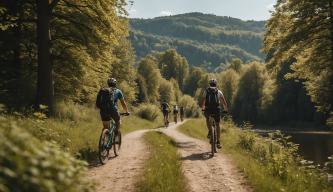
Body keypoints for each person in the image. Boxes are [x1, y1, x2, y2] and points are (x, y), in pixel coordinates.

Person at [201, 79, 228, 149]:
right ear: (216, 85)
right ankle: (218, 141)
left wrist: (203, 108)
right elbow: (224, 103)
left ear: (209, 85)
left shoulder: (206, 91)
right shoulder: (219, 92)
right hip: (217, 109)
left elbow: (203, 101)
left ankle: (210, 131)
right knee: (217, 124)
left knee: (207, 119)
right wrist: (225, 110)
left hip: (208, 109)